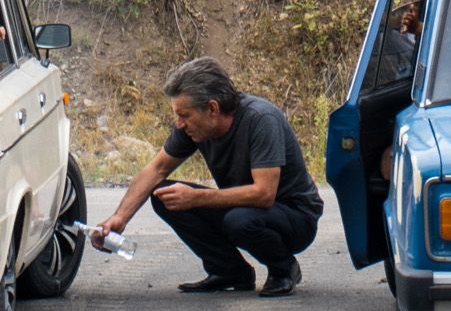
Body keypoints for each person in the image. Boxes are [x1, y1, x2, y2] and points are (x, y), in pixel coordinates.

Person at [94, 56, 324, 297]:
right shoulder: (193, 128)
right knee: (164, 195)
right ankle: (230, 271)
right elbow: (156, 169)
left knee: (239, 220)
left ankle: (283, 269)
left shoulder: (261, 120)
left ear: (212, 108)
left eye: (185, 115)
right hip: (245, 208)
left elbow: (264, 194)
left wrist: (197, 198)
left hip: (295, 217)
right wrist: (120, 218)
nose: (180, 124)